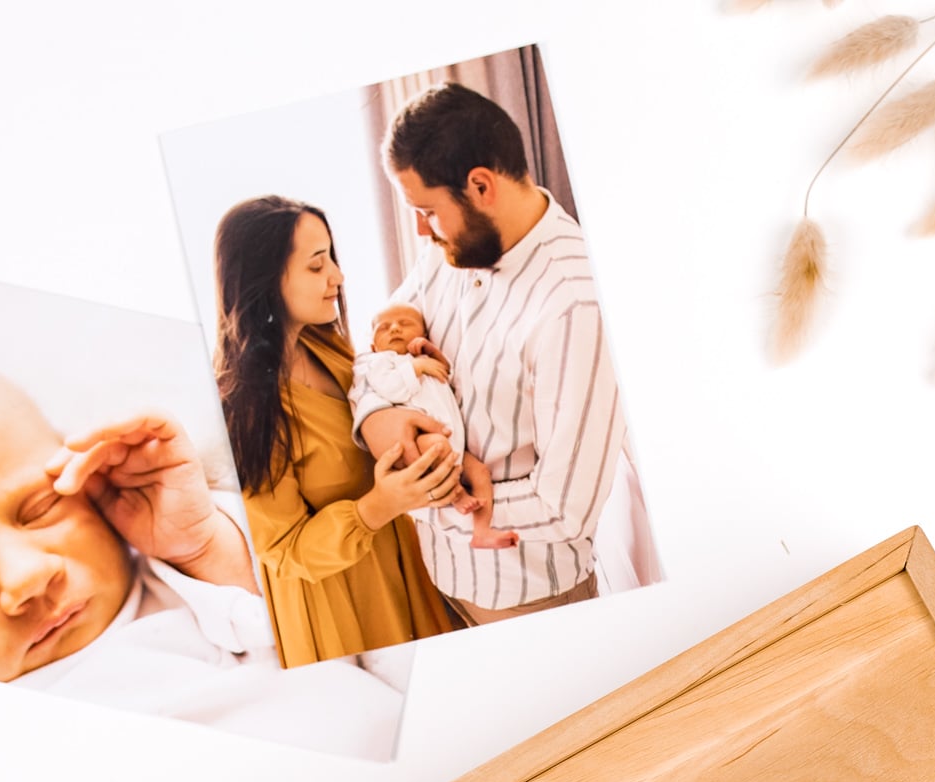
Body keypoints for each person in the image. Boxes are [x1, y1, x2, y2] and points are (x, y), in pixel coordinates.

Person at [0, 351, 403, 753]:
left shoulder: (180, 571)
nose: (28, 575)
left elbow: (334, 619)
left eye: (39, 507)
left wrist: (206, 546)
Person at [350, 82, 627, 624]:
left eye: (427, 210)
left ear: (480, 186)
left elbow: (564, 508)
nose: (419, 230)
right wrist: (387, 415)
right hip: (444, 582)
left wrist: (430, 499)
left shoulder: (574, 304)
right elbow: (384, 339)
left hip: (530, 604)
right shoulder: (451, 250)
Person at [213, 196, 461, 666]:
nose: (338, 277)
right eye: (316, 265)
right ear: (266, 280)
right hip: (338, 607)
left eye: (332, 258)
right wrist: (378, 506)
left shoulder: (326, 347)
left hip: (394, 562)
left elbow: (376, 408)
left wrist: (418, 374)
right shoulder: (245, 407)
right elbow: (283, 550)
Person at [352, 302, 516, 550]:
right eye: (384, 328)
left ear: (424, 335)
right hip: (422, 439)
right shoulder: (381, 363)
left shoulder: (425, 359)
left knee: (481, 473)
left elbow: (447, 375)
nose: (395, 328)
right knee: (438, 447)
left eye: (405, 323)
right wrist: (415, 367)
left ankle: (482, 530)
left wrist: (430, 354)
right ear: (374, 346)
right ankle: (458, 495)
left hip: (453, 441)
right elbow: (389, 386)